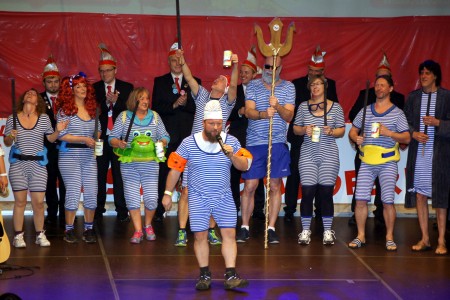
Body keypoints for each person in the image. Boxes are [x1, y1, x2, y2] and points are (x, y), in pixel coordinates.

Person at [162, 100, 252, 290]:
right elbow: (175, 170)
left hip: (224, 196)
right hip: (198, 197)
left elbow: (245, 165)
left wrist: (232, 156)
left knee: (229, 233)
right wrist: (168, 193)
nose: (215, 128)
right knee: (200, 236)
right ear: (203, 123)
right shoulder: (189, 143)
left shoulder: (232, 142)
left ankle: (231, 274)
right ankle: (204, 274)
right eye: (211, 124)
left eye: (219, 124)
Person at [171, 49, 238, 247]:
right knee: (185, 191)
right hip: (195, 150)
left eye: (220, 80)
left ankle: (210, 230)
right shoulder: (202, 97)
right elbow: (189, 77)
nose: (216, 80)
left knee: (215, 191)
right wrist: (182, 62)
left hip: (217, 153)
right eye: (217, 78)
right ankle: (182, 231)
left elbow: (234, 84)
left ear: (225, 89)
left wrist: (234, 65)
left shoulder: (227, 103)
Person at [348, 75, 410, 251]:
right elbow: (352, 131)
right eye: (377, 85)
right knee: (360, 200)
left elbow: (406, 137)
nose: (379, 88)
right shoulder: (365, 110)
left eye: (383, 85)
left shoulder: (398, 113)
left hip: (387, 162)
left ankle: (389, 237)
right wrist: (356, 138)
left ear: (391, 89)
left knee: (388, 201)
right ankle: (360, 235)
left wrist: (389, 133)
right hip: (366, 161)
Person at [237, 55, 295, 244]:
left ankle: (271, 228)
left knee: (275, 186)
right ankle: (244, 226)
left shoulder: (288, 87)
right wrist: (263, 114)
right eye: (267, 66)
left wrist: (276, 105)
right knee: (250, 186)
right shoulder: (253, 85)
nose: (270, 69)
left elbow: (288, 116)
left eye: (274, 66)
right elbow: (249, 111)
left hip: (277, 142)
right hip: (255, 143)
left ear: (280, 68)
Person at [4, 88, 66, 248]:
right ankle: (18, 236)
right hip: (18, 164)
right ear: (23, 99)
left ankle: (40, 234)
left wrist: (58, 130)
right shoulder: (13, 118)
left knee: (38, 202)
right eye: (28, 93)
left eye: (34, 94)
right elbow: (7, 142)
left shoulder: (44, 119)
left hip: (38, 165)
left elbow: (51, 139)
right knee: (20, 202)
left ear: (38, 102)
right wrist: (11, 136)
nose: (31, 94)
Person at [110, 87, 170, 243]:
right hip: (130, 164)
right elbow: (112, 138)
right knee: (132, 198)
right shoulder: (124, 117)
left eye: (147, 98)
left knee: (151, 199)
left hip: (150, 163)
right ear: (134, 100)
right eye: (141, 98)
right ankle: (137, 230)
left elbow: (165, 135)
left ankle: (148, 225)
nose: (145, 101)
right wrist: (119, 143)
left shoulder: (155, 117)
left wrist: (162, 142)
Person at [287, 45, 339, 222]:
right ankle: (290, 208)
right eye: (311, 71)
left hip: (321, 136)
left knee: (321, 178)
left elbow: (335, 106)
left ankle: (319, 210)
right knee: (295, 173)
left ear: (323, 71)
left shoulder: (330, 84)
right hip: (301, 133)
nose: (313, 74)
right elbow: (293, 108)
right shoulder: (297, 83)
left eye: (317, 72)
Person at [404, 60, 450, 255]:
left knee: (440, 197)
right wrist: (413, 133)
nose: (423, 76)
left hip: (439, 154)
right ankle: (425, 238)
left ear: (435, 76)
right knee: (420, 195)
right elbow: (404, 121)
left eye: (428, 73)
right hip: (419, 154)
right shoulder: (413, 97)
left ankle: (441, 240)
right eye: (421, 72)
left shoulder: (446, 97)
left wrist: (438, 122)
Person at [293, 75, 345, 245]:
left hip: (328, 154)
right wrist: (304, 129)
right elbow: (295, 129)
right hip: (308, 154)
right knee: (307, 192)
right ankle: (305, 231)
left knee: (325, 193)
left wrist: (332, 131)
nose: (315, 87)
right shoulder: (302, 106)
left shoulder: (335, 107)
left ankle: (328, 231)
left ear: (325, 86)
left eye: (318, 84)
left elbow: (342, 131)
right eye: (312, 84)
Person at [152, 41, 199, 222]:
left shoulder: (194, 81)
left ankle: (190, 212)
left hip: (188, 136)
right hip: (167, 137)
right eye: (174, 61)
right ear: (169, 62)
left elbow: (198, 106)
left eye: (180, 61)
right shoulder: (160, 81)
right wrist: (174, 104)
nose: (177, 64)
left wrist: (186, 103)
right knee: (164, 173)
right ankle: (159, 210)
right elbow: (156, 106)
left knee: (189, 176)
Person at [93, 43, 133, 222]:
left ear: (115, 70)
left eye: (108, 70)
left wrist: (116, 103)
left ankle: (122, 210)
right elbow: (91, 111)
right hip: (101, 138)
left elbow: (131, 111)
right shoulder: (94, 89)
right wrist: (105, 102)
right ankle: (98, 208)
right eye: (102, 71)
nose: (104, 74)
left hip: (119, 138)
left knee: (119, 174)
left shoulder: (126, 87)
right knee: (99, 174)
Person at [57, 74, 99, 243]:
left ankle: (89, 228)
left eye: (84, 86)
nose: (82, 90)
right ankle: (69, 229)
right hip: (69, 155)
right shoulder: (65, 110)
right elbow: (61, 135)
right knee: (73, 192)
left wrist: (96, 139)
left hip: (89, 155)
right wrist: (83, 139)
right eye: (78, 87)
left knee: (91, 192)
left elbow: (98, 130)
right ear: (71, 91)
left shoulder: (92, 108)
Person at [227, 46, 265, 219]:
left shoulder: (261, 90)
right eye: (241, 72)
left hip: (256, 138)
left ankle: (258, 209)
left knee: (256, 174)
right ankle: (233, 206)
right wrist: (240, 112)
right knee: (234, 173)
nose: (243, 75)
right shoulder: (234, 90)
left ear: (254, 74)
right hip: (238, 136)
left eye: (246, 72)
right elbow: (228, 112)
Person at [40, 55, 67, 226]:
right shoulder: (38, 100)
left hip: (66, 147)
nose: (53, 85)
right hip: (47, 147)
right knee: (49, 181)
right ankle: (51, 212)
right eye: (49, 81)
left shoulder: (67, 99)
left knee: (65, 180)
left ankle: (66, 213)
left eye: (56, 81)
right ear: (44, 82)